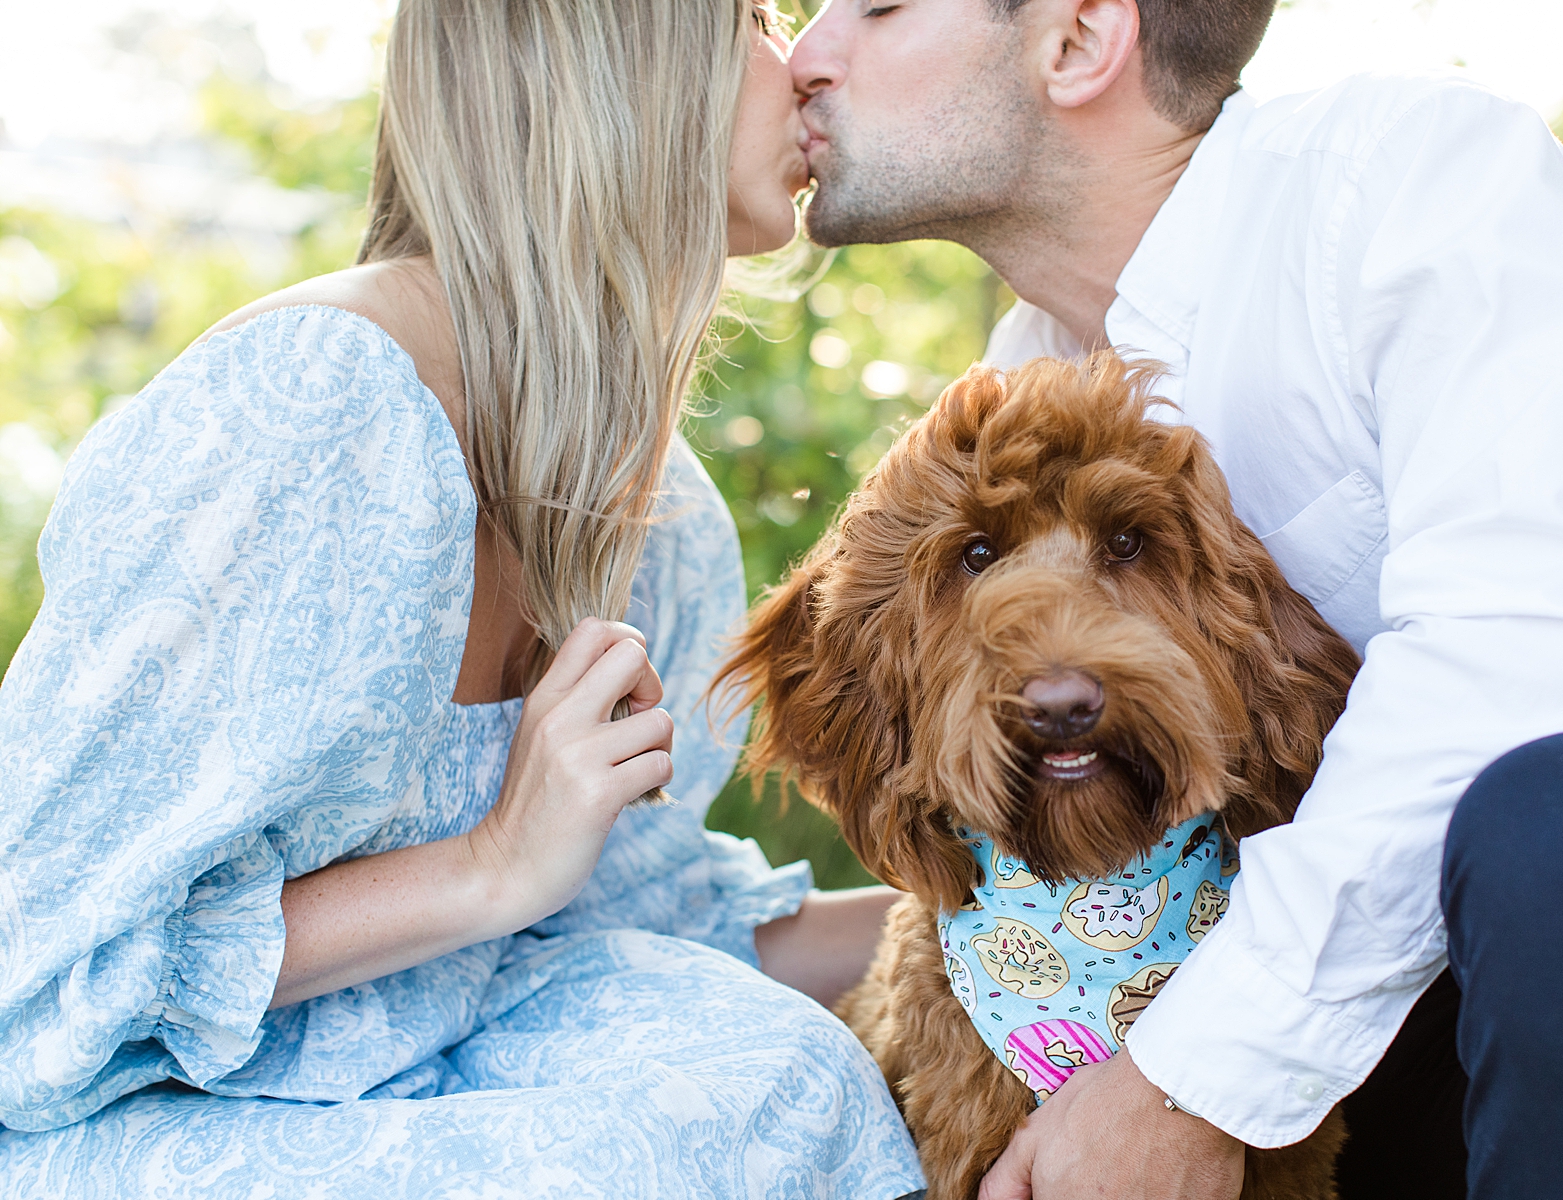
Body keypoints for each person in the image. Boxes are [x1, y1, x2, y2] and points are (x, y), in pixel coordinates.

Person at [787, 2, 1563, 1198]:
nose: (804, 56)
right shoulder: (1015, 387)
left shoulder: (1415, 186)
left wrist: (1190, 1080)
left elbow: (1548, 660)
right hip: (1381, 1045)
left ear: (1078, 37)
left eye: (879, 5)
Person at [0, 2, 925, 1196]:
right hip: (116, 1121)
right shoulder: (317, 412)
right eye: (752, 15)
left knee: (776, 1079)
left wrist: (1085, 928)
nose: (799, 60)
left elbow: (650, 919)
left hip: (412, 1064)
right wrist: (489, 864)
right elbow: (34, 963)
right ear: (615, 61)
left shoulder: (650, 503)